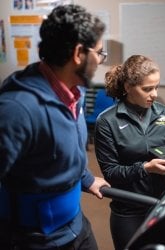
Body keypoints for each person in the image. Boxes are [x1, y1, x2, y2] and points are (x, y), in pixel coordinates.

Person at [0, 4, 110, 250]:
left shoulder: (75, 90)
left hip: (75, 225)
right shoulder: (17, 109)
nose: (101, 61)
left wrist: (87, 178)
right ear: (79, 54)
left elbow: (67, 149)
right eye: (100, 53)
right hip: (35, 240)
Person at [94, 55, 165, 250]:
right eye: (147, 89)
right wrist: (146, 168)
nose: (154, 94)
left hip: (162, 203)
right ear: (128, 87)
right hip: (129, 209)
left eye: (157, 87)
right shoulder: (107, 122)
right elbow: (111, 173)